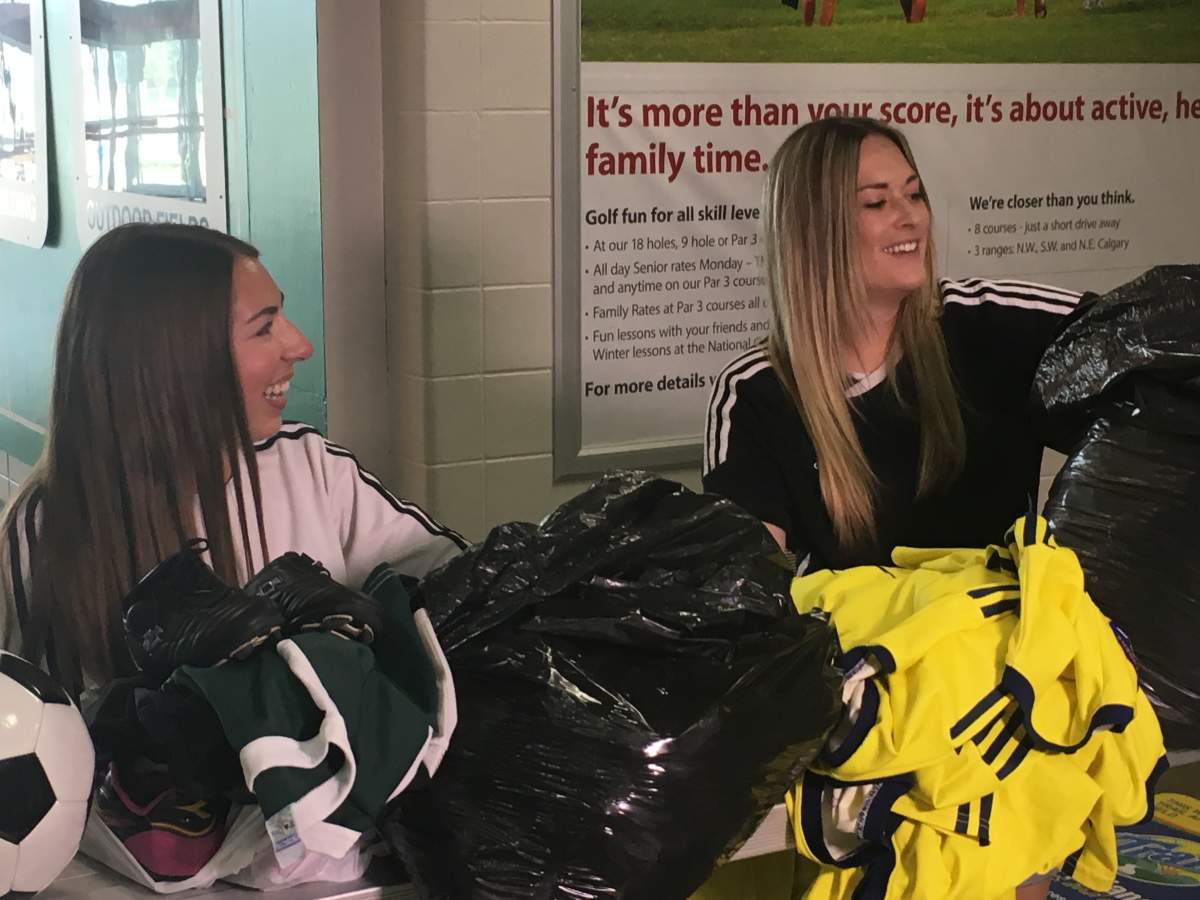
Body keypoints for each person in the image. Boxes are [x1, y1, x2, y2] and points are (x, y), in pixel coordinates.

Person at [703, 116, 1084, 899]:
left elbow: (1142, 344)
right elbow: (745, 588)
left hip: (1004, 709)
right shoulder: (760, 394)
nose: (910, 217)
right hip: (869, 727)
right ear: (814, 230)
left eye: (913, 194)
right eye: (877, 203)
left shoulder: (989, 326)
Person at [0, 223, 467, 698]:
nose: (300, 345)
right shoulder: (42, 529)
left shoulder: (311, 467)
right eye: (264, 328)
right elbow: (57, 740)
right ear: (177, 361)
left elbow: (462, 583)